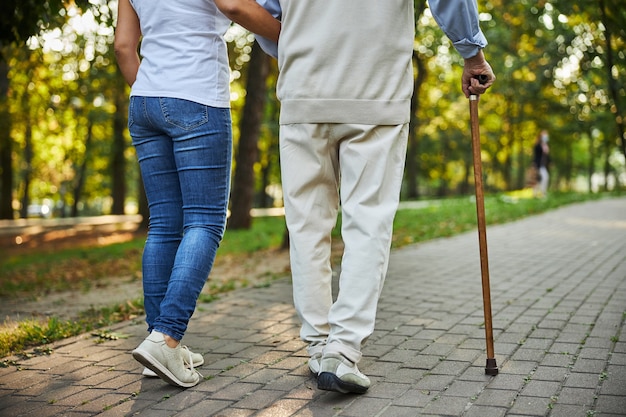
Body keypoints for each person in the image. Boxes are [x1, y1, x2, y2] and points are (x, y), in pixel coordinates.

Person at [256, 0, 495, 394]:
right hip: (375, 91)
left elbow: (263, 12)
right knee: (368, 222)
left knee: (306, 227)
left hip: (303, 91)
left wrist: (300, 45)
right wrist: (471, 53)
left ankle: (318, 345)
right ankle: (342, 349)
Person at [114, 0, 279, 388]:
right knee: (204, 221)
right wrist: (290, 37)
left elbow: (124, 47)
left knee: (164, 226)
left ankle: (157, 343)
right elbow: (235, 5)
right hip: (197, 98)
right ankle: (167, 338)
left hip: (145, 100)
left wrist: (153, 91)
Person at [533, 130, 550, 197]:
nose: (545, 136)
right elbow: (536, 155)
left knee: (539, 179)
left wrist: (550, 162)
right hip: (538, 165)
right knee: (543, 178)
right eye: (544, 135)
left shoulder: (546, 145)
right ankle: (542, 193)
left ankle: (537, 194)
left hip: (543, 165)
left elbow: (547, 156)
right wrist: (534, 164)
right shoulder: (537, 145)